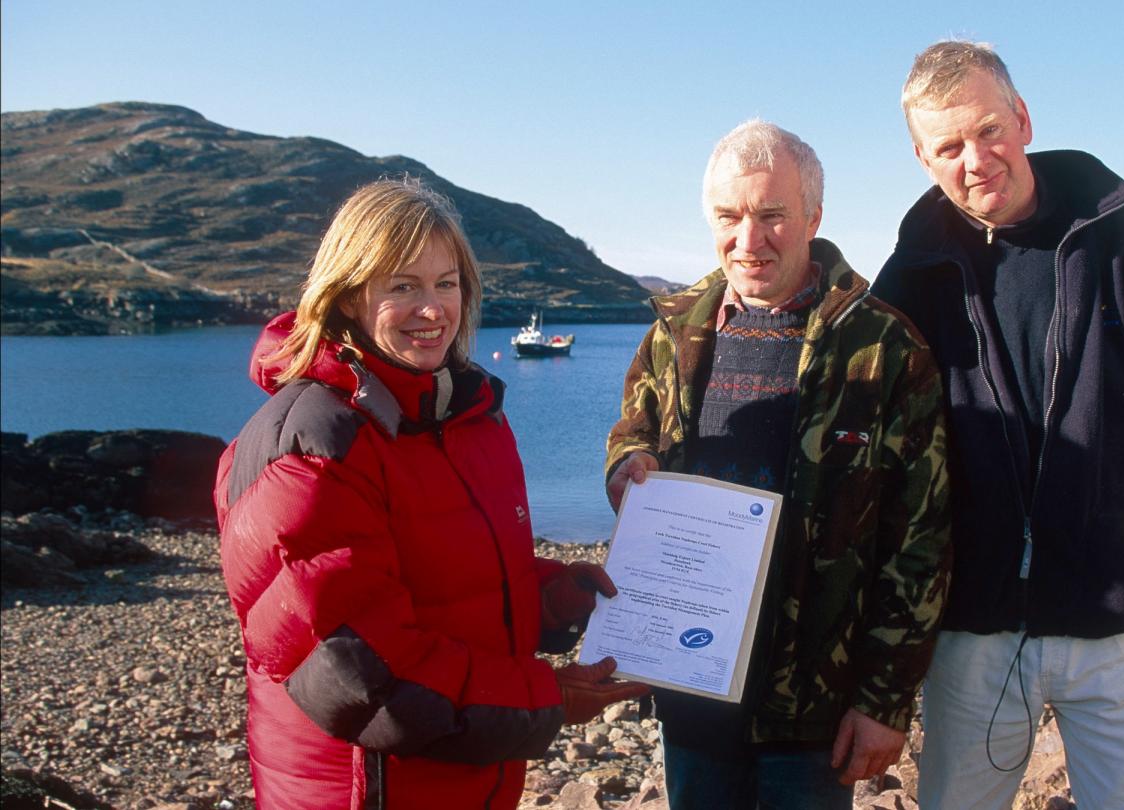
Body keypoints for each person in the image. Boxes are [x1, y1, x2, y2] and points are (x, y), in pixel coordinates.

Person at [214, 178, 647, 809]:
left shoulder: (464, 417)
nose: (433, 308)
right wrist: (549, 698)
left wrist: (552, 597)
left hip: (466, 782)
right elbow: (364, 677)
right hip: (370, 791)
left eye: (447, 283)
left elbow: (451, 578)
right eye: (403, 286)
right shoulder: (311, 445)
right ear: (347, 295)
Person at [871, 41, 1124, 810]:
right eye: (948, 146)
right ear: (921, 157)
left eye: (988, 130)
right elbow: (883, 449)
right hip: (975, 631)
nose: (975, 159)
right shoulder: (909, 279)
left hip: (1123, 623)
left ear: (1022, 118)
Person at [605, 120, 952, 810]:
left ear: (814, 216)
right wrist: (627, 465)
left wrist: (884, 701)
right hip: (693, 689)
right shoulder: (673, 335)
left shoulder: (884, 348)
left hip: (815, 711)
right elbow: (633, 432)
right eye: (729, 217)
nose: (749, 239)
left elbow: (923, 541)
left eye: (772, 216)